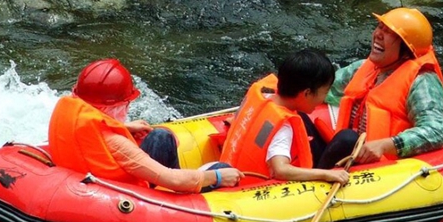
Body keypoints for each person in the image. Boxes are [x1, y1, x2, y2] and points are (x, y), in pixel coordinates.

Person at [48, 59, 243, 193]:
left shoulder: (74, 115)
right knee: (222, 167)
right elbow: (173, 179)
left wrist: (124, 127)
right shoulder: (116, 144)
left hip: (97, 181)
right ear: (116, 106)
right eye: (126, 104)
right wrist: (217, 176)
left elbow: (96, 134)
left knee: (160, 137)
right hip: (135, 197)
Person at [327, 7, 443, 164]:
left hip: (381, 164)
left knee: (347, 139)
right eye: (380, 27)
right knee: (332, 132)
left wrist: (386, 145)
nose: (378, 35)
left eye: (390, 33)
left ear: (406, 49)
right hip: (349, 150)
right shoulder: (364, 68)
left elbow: (438, 130)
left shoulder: (422, 82)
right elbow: (323, 89)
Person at [219, 49, 354, 185]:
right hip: (250, 188)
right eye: (325, 92)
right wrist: (327, 174)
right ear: (307, 93)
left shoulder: (265, 96)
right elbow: (281, 170)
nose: (325, 97)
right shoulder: (283, 127)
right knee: (348, 139)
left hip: (233, 167)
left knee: (302, 117)